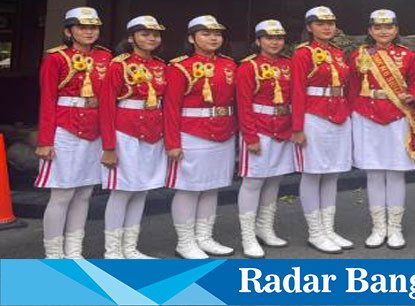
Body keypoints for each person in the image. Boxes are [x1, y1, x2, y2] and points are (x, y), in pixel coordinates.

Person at [35, 7, 112, 258]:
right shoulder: (56, 57)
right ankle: (54, 254)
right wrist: (45, 140)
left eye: (93, 27)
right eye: (82, 27)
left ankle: (74, 251)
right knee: (62, 193)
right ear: (69, 31)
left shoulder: (105, 56)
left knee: (84, 192)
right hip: (64, 128)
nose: (89, 32)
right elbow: (47, 100)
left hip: (94, 129)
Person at [348, 9, 415, 249]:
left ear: (396, 30)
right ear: (370, 31)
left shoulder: (408, 55)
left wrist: (412, 96)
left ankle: (395, 228)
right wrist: (353, 113)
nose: (383, 31)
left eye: (388, 27)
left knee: (395, 172)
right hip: (367, 115)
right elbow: (351, 85)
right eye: (378, 27)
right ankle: (378, 227)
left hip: (397, 115)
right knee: (373, 173)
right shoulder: (359, 54)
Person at [164, 15, 237, 259]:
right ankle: (185, 242)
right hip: (192, 132)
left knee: (211, 187)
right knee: (189, 188)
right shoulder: (179, 67)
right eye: (205, 33)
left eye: (216, 33)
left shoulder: (228, 64)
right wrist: (172, 142)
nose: (213, 37)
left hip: (223, 130)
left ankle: (205, 237)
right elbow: (171, 107)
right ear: (191, 38)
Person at [99, 15, 168, 259]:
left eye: (155, 34)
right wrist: (108, 146)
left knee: (142, 190)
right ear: (131, 38)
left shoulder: (161, 65)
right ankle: (112, 251)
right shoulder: (118, 65)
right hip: (125, 133)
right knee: (122, 191)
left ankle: (130, 248)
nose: (151, 38)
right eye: (144, 34)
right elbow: (106, 107)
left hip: (153, 133)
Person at [290, 6, 352, 254]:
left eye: (331, 23)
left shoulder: (338, 53)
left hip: (339, 114)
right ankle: (315, 232)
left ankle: (328, 228)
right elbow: (296, 90)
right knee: (313, 173)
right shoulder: (303, 53)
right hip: (313, 115)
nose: (327, 27)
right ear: (309, 27)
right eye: (320, 23)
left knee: (332, 173)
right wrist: (297, 127)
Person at [236, 20, 294, 258]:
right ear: (259, 41)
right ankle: (248, 236)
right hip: (258, 127)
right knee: (253, 181)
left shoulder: (288, 65)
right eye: (269, 38)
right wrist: (250, 136)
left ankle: (265, 227)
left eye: (279, 38)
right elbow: (243, 104)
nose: (275, 42)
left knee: (274, 181)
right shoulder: (248, 67)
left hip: (282, 127)